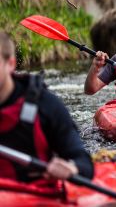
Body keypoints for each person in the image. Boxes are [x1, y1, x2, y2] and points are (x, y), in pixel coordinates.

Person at [0, 31, 93, 195]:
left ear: (11, 64)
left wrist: (70, 168)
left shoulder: (46, 105)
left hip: (33, 195)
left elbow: (84, 164)